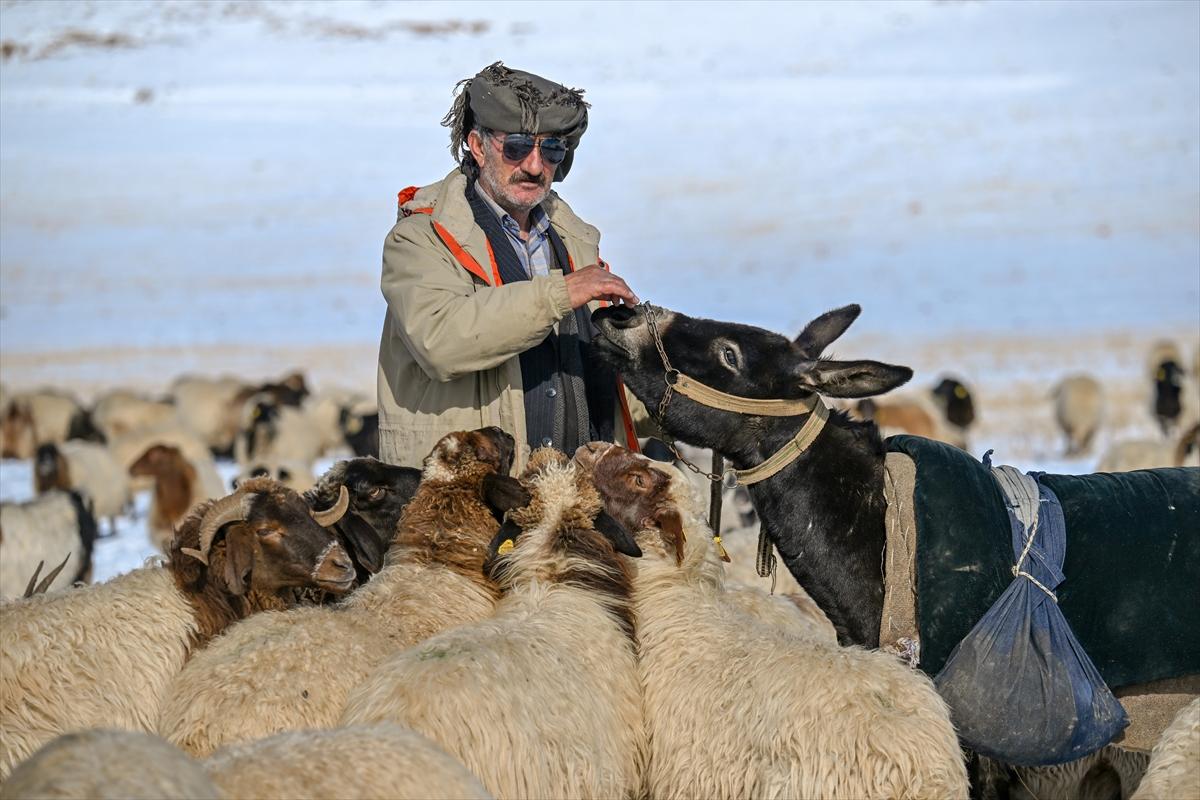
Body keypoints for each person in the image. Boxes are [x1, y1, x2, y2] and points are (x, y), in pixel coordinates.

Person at [376, 62, 648, 470]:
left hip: (578, 495)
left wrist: (695, 393)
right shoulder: (419, 239)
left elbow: (605, 380)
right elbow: (441, 340)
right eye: (517, 147)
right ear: (478, 145)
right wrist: (561, 293)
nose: (535, 166)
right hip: (471, 497)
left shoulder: (575, 242)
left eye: (551, 149)